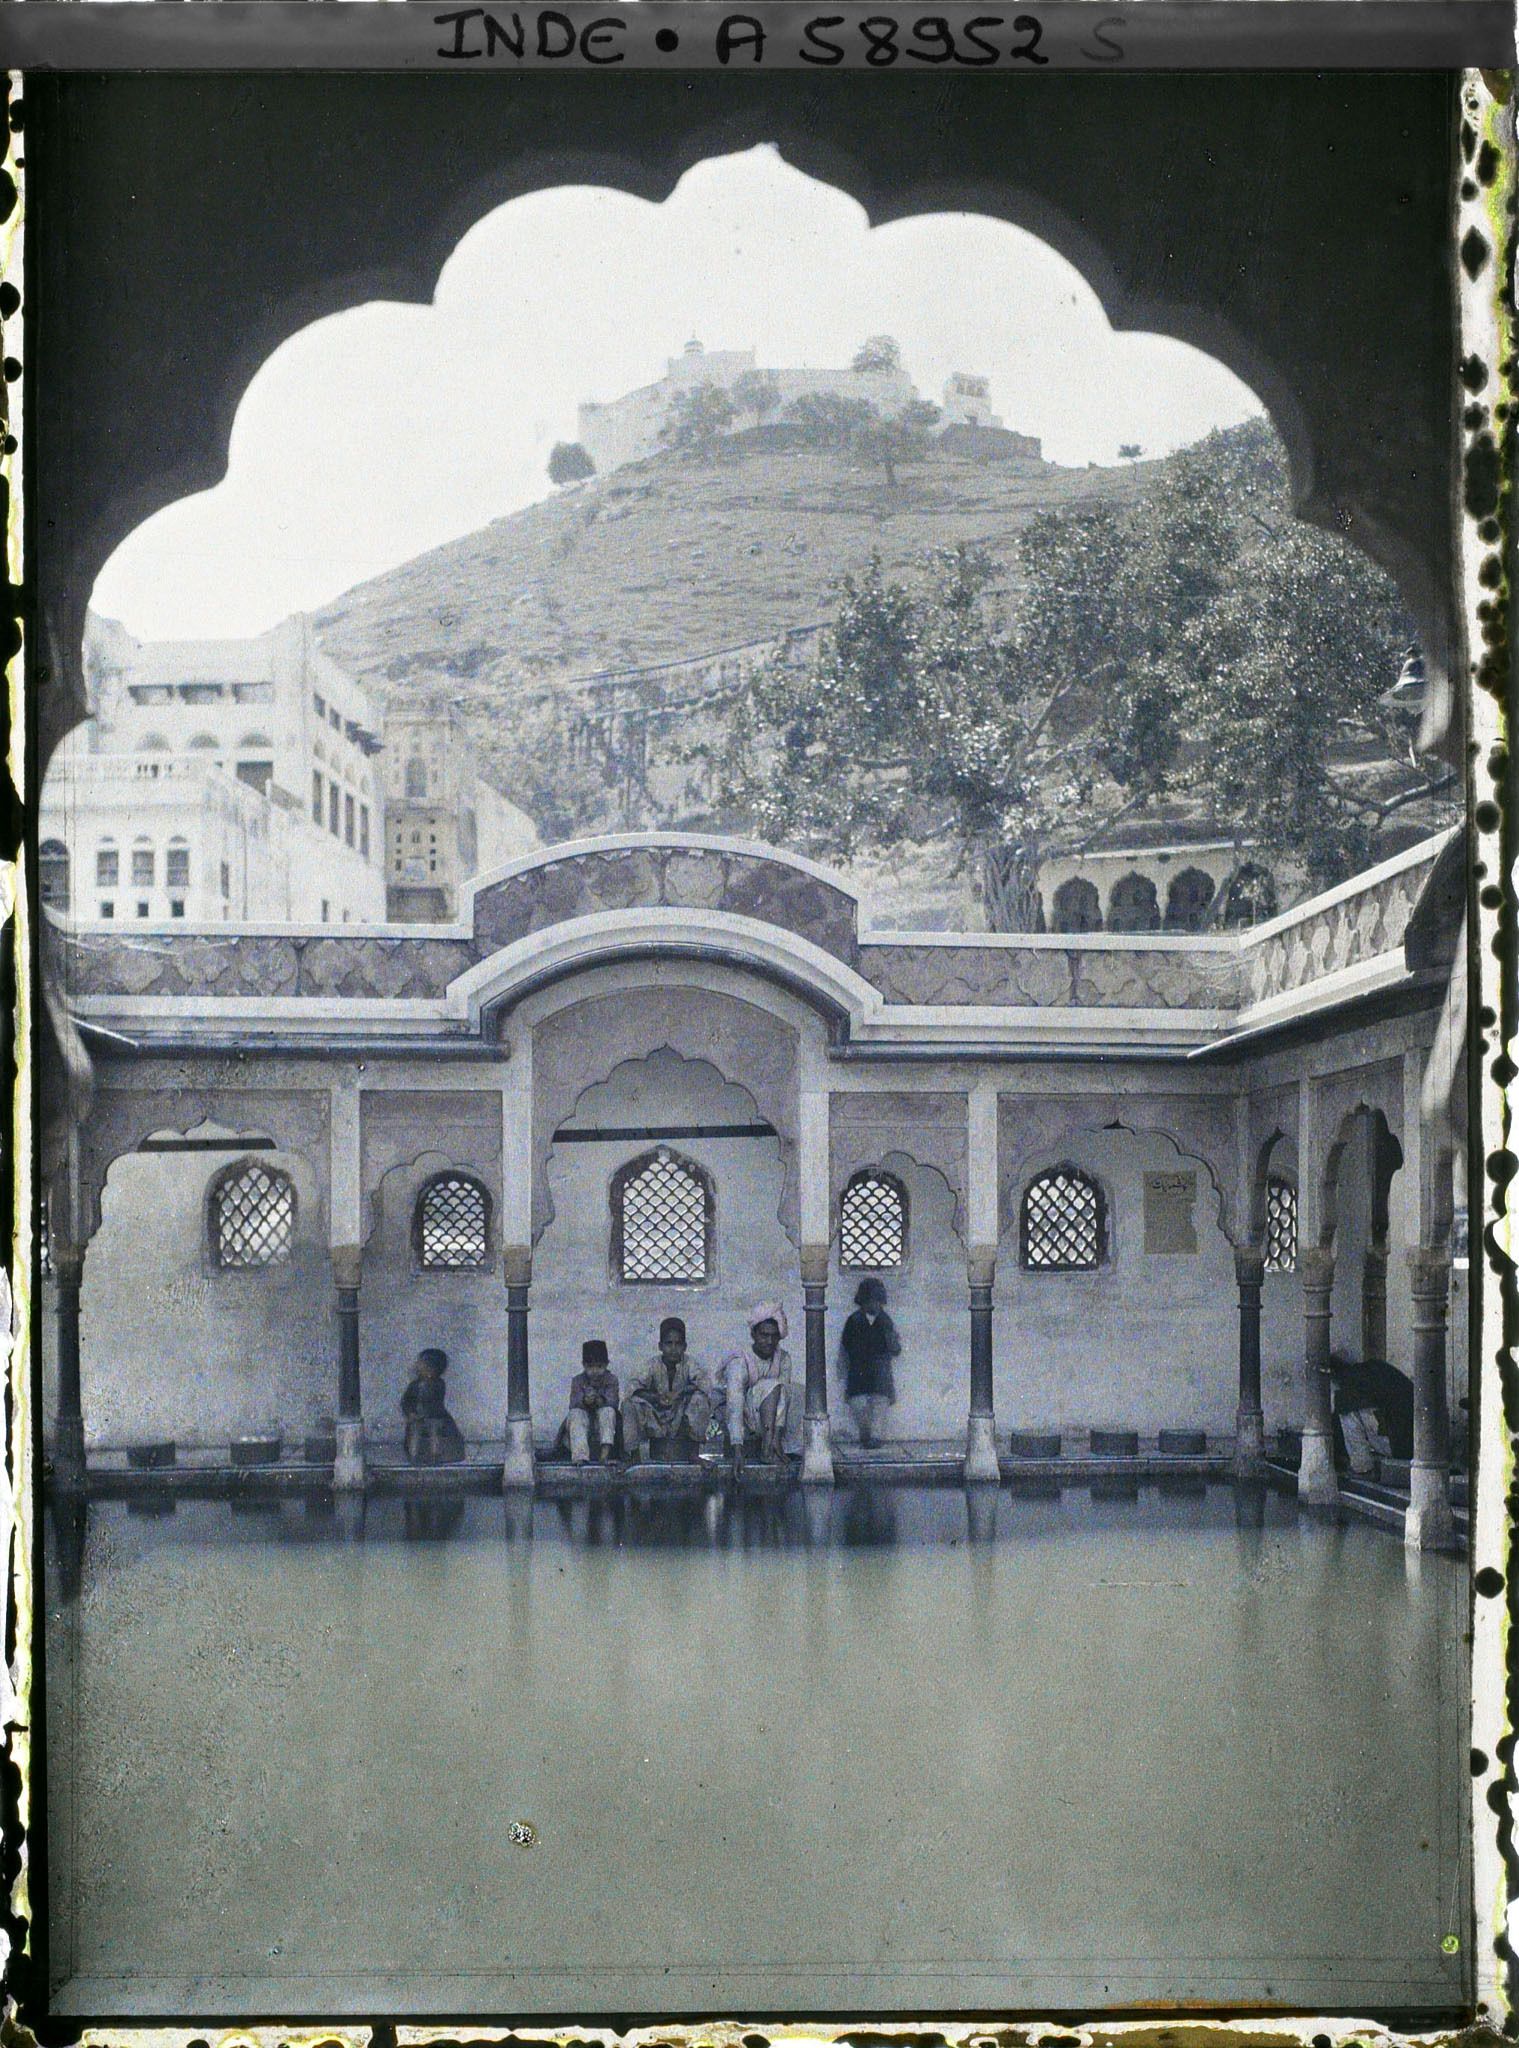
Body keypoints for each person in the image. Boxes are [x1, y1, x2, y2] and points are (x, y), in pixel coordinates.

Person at [624, 1317, 714, 1462]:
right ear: (660, 1346)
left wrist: (679, 1393)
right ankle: (634, 1456)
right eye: (668, 1344)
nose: (673, 1349)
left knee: (700, 1399)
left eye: (678, 1344)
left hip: (680, 1418)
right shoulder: (652, 1365)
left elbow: (706, 1385)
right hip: (657, 1417)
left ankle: (694, 1454)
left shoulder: (690, 1364)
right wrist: (656, 1398)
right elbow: (631, 1388)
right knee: (629, 1404)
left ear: (684, 1346)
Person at [724, 1302, 794, 1464]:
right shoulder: (740, 1361)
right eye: (764, 1335)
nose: (769, 1341)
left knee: (793, 1391)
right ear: (754, 1335)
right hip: (745, 1419)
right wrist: (737, 1448)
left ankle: (773, 1443)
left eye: (774, 1336)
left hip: (770, 1423)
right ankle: (767, 1446)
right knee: (771, 1385)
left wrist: (777, 1434)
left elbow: (784, 1397)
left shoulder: (783, 1358)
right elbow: (734, 1404)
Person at [840, 1278, 901, 1447]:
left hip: (880, 1372)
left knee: (880, 1403)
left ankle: (875, 1437)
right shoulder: (854, 1320)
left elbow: (895, 1349)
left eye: (878, 1301)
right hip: (858, 1370)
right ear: (863, 1301)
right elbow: (846, 1345)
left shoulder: (886, 1321)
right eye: (871, 1301)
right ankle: (866, 1435)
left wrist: (891, 1340)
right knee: (859, 1404)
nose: (875, 1305)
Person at [400, 1347, 467, 1465]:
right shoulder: (414, 1385)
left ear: (431, 1369)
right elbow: (406, 1401)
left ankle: (435, 1455)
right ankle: (413, 1455)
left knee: (435, 1430)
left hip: (434, 1417)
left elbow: (436, 1404)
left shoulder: (438, 1385)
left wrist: (425, 1414)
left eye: (421, 1363)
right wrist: (411, 1413)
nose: (417, 1365)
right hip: (417, 1418)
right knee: (414, 1432)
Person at [563, 1339, 620, 1465]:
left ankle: (605, 1455)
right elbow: (573, 1403)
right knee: (576, 1414)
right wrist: (585, 1401)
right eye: (590, 1367)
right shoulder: (578, 1381)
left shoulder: (611, 1380)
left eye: (599, 1366)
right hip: (585, 1423)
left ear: (606, 1365)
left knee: (608, 1411)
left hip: (603, 1423)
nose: (594, 1371)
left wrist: (599, 1400)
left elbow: (613, 1402)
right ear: (584, 1365)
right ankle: (580, 1457)